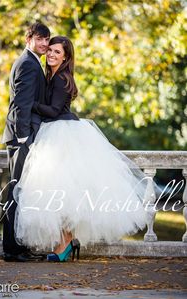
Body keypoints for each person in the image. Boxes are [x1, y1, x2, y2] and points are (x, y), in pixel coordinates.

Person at [13, 36, 156, 262]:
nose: (51, 54)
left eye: (57, 52)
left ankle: (65, 244)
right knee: (58, 193)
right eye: (49, 50)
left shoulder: (61, 78)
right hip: (54, 134)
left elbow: (53, 110)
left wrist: (31, 104)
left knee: (66, 193)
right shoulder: (51, 75)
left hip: (63, 134)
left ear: (66, 56)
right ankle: (66, 242)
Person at [1, 22, 50, 262]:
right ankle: (10, 249)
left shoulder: (30, 62)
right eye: (40, 39)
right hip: (21, 137)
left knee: (21, 191)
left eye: (47, 40)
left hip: (24, 135)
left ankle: (17, 246)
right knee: (15, 191)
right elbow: (20, 103)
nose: (44, 44)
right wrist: (23, 137)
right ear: (28, 38)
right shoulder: (28, 64)